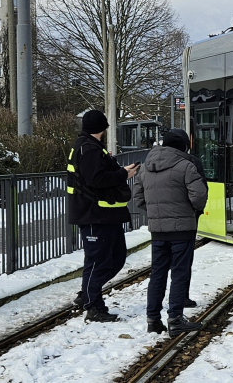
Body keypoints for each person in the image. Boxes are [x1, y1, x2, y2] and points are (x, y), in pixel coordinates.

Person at [133, 128, 208, 335]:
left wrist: (158, 213)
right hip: (182, 229)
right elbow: (199, 196)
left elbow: (138, 198)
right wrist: (191, 212)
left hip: (158, 230)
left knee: (157, 274)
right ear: (184, 146)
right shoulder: (186, 165)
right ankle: (175, 319)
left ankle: (153, 319)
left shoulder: (146, 168)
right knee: (179, 273)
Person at [67, 109, 138, 322]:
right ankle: (93, 306)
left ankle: (88, 294)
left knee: (116, 258)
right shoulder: (88, 149)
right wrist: (124, 174)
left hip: (104, 213)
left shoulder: (90, 146)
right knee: (99, 261)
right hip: (94, 214)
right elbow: (96, 179)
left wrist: (120, 171)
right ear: (103, 128)